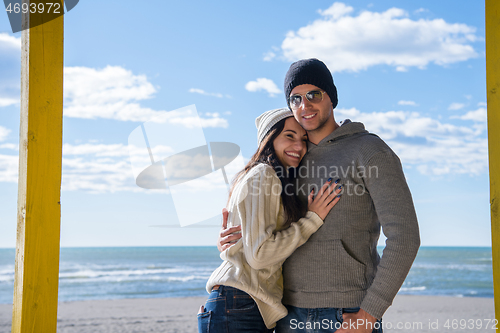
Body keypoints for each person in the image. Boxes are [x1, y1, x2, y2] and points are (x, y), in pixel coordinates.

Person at [218, 59, 421, 333]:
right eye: (295, 98)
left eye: (314, 94)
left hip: (346, 313)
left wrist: (369, 313)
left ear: (331, 97)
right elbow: (268, 227)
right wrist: (244, 239)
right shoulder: (288, 160)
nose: (305, 105)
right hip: (286, 315)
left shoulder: (370, 151)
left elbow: (405, 237)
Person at [197, 108, 343, 333]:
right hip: (239, 306)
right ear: (269, 139)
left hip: (239, 305)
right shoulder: (264, 174)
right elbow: (259, 255)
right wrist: (313, 219)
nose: (299, 146)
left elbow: (249, 243)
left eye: (303, 139)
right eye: (289, 136)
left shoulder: (268, 177)